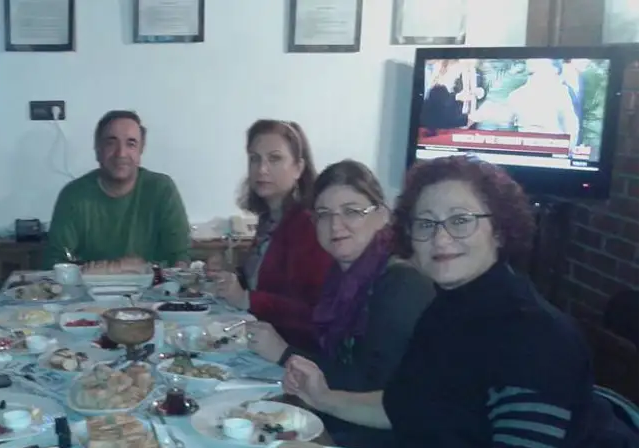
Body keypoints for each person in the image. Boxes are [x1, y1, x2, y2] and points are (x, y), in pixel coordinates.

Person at [284, 156, 639, 448]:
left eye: (460, 220)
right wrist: (324, 397)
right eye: (425, 224)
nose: (441, 237)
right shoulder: (447, 309)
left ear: (499, 229)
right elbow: (405, 406)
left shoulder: (535, 334)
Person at [246, 159, 434, 400]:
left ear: (381, 215)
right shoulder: (339, 277)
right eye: (324, 214)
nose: (335, 225)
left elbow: (375, 387)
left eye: (351, 211)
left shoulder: (400, 285)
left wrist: (285, 354)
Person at [214, 119, 331, 349]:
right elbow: (264, 282)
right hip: (259, 340)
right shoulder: (270, 218)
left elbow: (314, 312)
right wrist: (230, 276)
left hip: (294, 352)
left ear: (298, 168)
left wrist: (246, 299)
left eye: (274, 159)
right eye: (254, 159)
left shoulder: (309, 224)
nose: (262, 169)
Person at [43, 110, 191, 268]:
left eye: (131, 144)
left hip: (154, 283)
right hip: (89, 283)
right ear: (98, 149)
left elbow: (180, 255)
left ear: (141, 150)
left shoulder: (162, 189)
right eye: (111, 143)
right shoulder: (73, 195)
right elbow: (57, 260)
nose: (121, 153)